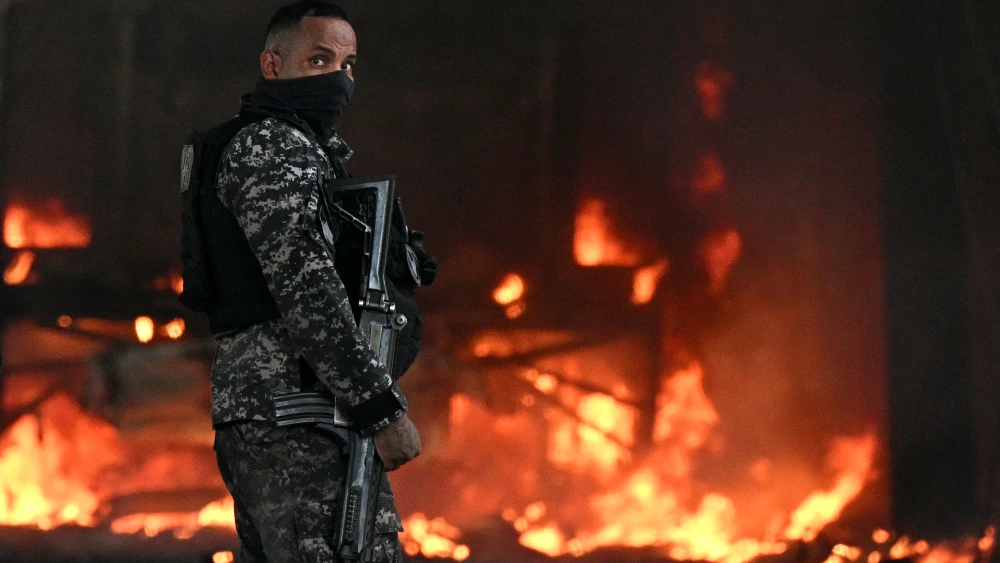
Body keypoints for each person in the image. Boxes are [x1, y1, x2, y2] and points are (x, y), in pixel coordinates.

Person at [178, 2, 433, 561]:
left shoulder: (298, 147)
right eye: (319, 60)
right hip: (298, 415)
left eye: (347, 64)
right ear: (273, 65)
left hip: (289, 413)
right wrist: (382, 410)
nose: (338, 78)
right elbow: (309, 294)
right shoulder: (272, 147)